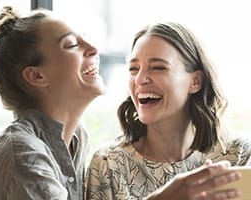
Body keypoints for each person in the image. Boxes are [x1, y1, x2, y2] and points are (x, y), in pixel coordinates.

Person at [86, 22, 251, 199]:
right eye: (133, 69)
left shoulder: (239, 154)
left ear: (195, 82)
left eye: (158, 67)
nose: (140, 79)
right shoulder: (108, 164)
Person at [0, 5, 105, 200]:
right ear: (36, 75)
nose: (94, 49)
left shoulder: (77, 138)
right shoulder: (23, 153)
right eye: (72, 45)